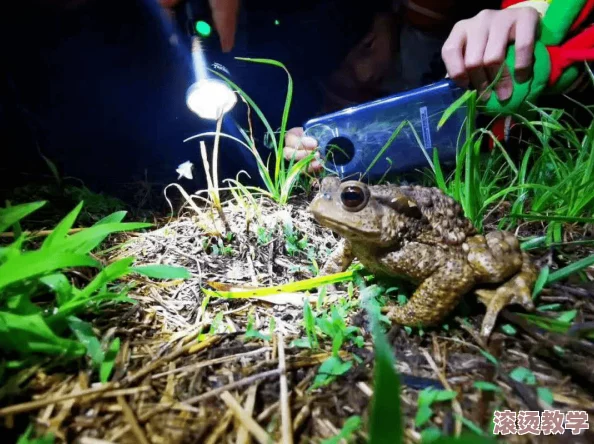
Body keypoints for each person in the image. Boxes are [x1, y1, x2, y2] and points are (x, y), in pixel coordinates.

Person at [280, 1, 544, 173]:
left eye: (368, 49)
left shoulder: (428, 16)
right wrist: (303, 149)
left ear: (384, 17)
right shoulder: (343, 103)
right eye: (344, 76)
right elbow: (323, 140)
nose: (364, 74)